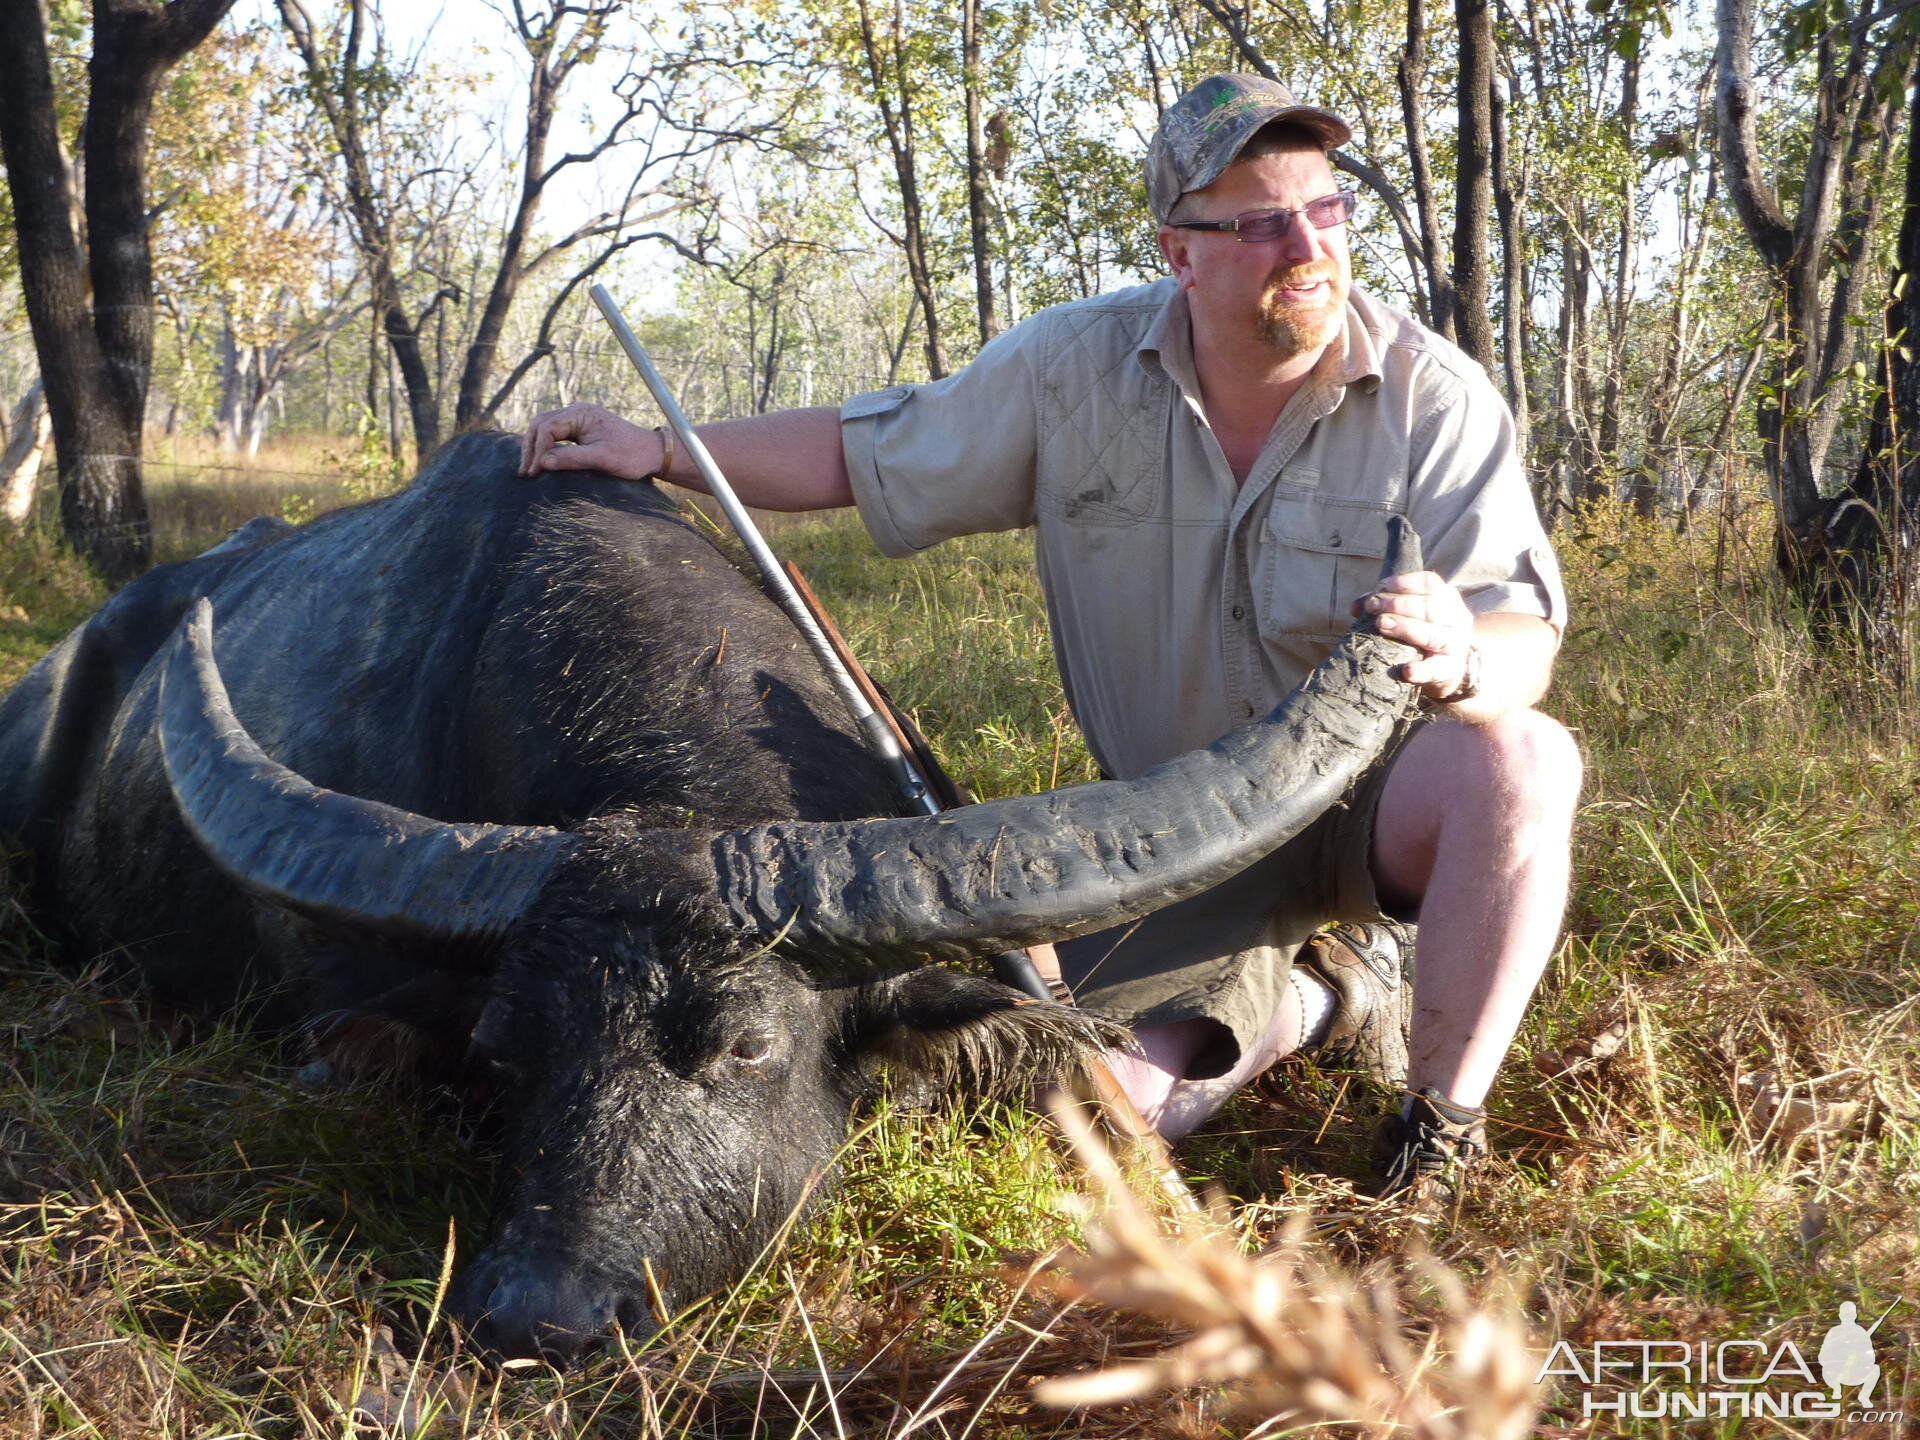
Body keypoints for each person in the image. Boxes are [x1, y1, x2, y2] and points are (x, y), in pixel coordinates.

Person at [518, 73, 1582, 1208]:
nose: (1307, 245)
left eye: (1327, 210)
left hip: (1375, 815)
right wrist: (665, 451)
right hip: (1171, 831)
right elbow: (866, 450)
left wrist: (1467, 654)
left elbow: (1522, 633)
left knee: (1520, 758)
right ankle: (1333, 991)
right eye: (1263, 221)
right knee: (1076, 1124)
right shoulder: (1071, 368)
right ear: (1181, 251)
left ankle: (1438, 1132)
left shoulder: (1435, 397)